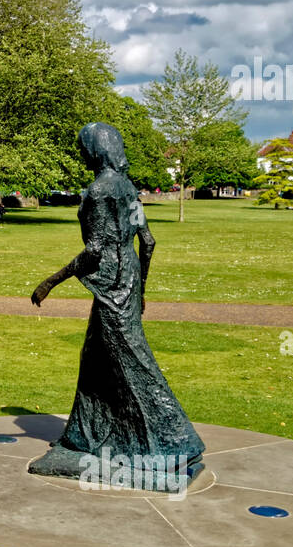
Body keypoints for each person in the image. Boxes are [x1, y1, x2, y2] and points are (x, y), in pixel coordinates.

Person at [28, 122, 205, 478]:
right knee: (94, 361)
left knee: (134, 365)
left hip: (110, 289)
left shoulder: (98, 191)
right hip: (127, 283)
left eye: (82, 148)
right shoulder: (127, 187)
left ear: (95, 150)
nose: (80, 154)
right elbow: (148, 242)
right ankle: (84, 436)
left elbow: (94, 251)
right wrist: (140, 291)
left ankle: (177, 440)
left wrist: (50, 282)